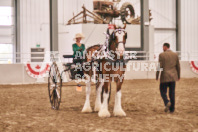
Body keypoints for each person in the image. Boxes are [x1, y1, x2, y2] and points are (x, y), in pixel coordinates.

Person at [156, 43, 180, 113]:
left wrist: (157, 75)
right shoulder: (175, 55)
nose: (162, 48)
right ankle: (172, 109)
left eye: (163, 47)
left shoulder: (161, 55)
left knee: (162, 91)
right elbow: (178, 66)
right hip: (173, 77)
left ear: (165, 47)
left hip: (164, 76)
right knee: (172, 93)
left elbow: (159, 66)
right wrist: (178, 76)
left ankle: (167, 102)